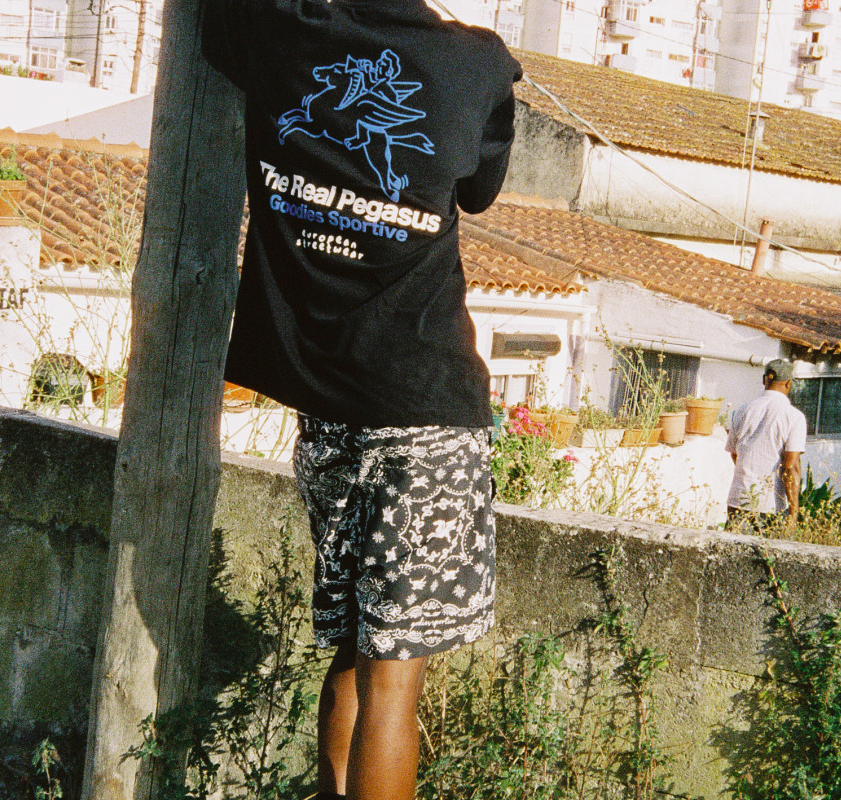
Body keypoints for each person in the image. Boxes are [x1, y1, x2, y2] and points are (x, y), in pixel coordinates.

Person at [201, 2, 522, 799]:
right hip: (426, 408)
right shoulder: (472, 63)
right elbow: (480, 190)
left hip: (325, 405)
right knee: (394, 682)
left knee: (352, 644)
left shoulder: (277, 28)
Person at [725, 359, 806, 531]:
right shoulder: (794, 417)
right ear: (789, 384)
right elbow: (790, 466)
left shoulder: (741, 410)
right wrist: (793, 512)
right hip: (770, 505)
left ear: (764, 380)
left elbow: (734, 453)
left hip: (738, 499)